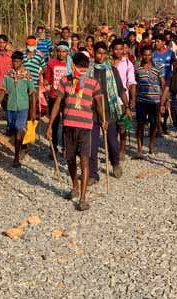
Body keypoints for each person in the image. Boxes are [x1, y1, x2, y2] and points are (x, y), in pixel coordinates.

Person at [47, 52, 106, 211]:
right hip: (68, 126)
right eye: (79, 67)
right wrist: (50, 125)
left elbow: (98, 103)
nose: (81, 70)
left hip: (86, 126)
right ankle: (75, 186)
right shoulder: (64, 81)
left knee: (84, 161)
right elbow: (57, 104)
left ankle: (83, 198)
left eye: (84, 67)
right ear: (73, 66)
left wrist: (103, 120)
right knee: (70, 159)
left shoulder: (93, 83)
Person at [88, 42, 128, 182]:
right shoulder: (88, 71)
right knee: (92, 145)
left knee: (112, 142)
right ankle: (93, 174)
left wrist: (127, 107)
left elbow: (120, 90)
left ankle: (115, 164)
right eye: (99, 53)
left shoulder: (112, 70)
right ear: (93, 53)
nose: (101, 56)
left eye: (104, 53)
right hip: (92, 112)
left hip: (109, 111)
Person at [0, 51, 36, 168]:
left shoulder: (27, 75)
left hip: (23, 107)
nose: (15, 63)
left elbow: (32, 93)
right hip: (10, 107)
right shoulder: (8, 75)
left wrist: (33, 112)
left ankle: (16, 158)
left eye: (17, 61)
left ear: (22, 61)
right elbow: (3, 91)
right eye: (13, 61)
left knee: (18, 129)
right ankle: (23, 144)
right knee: (12, 129)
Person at [134, 44, 165, 159]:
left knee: (154, 124)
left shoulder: (159, 67)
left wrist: (164, 100)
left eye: (149, 55)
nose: (147, 57)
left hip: (155, 100)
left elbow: (162, 82)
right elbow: (134, 82)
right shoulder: (136, 67)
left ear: (152, 55)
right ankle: (139, 148)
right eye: (145, 55)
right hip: (141, 100)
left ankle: (151, 144)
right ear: (141, 55)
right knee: (140, 124)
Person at [45, 42, 71, 156]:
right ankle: (53, 148)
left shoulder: (71, 65)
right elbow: (48, 79)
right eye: (59, 51)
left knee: (66, 124)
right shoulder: (51, 63)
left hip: (67, 98)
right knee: (54, 123)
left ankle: (66, 147)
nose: (61, 53)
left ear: (67, 52)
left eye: (64, 51)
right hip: (54, 96)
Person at [111, 39, 136, 159]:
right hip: (109, 99)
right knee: (112, 126)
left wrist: (133, 98)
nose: (118, 51)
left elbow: (131, 82)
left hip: (122, 99)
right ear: (112, 50)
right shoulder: (107, 63)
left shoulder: (128, 64)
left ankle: (122, 148)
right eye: (116, 49)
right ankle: (113, 148)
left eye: (121, 49)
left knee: (122, 126)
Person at [153, 34, 177, 135]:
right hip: (156, 83)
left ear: (163, 43)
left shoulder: (171, 53)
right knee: (158, 104)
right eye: (155, 41)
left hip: (168, 82)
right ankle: (157, 126)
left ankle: (164, 124)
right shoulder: (153, 54)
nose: (156, 43)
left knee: (167, 103)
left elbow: (175, 66)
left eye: (158, 41)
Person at [23, 36, 46, 120]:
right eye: (29, 45)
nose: (31, 47)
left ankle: (31, 124)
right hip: (23, 84)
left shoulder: (39, 56)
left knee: (33, 105)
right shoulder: (23, 55)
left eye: (33, 45)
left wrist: (40, 74)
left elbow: (44, 68)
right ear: (26, 45)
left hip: (35, 84)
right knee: (24, 104)